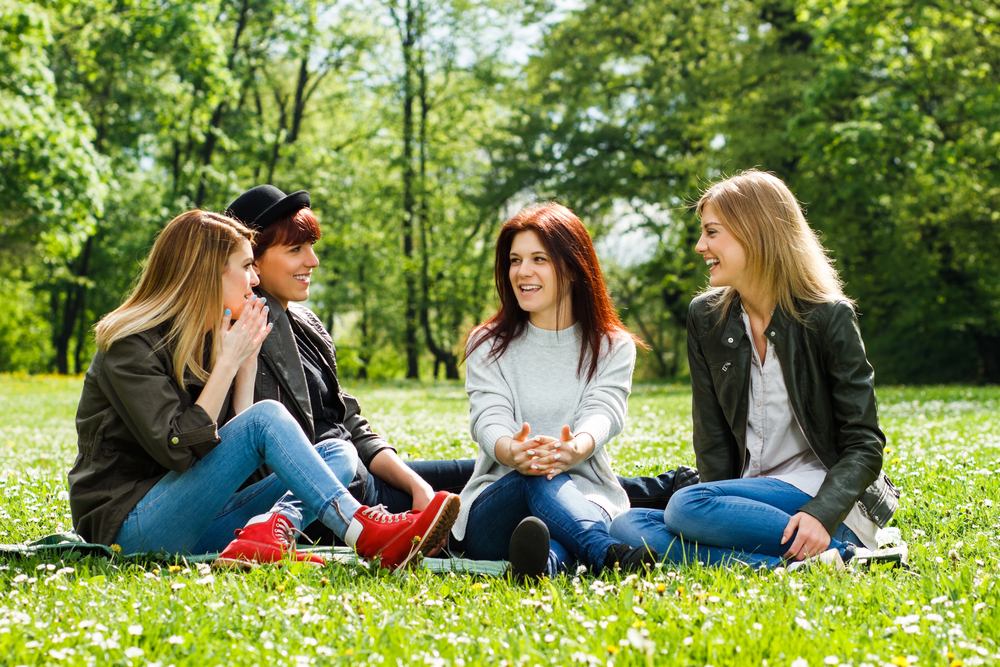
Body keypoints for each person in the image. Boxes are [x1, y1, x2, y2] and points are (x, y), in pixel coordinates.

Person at [221, 185, 699, 532]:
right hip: (325, 490)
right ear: (251, 260)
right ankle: (661, 493)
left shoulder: (306, 324)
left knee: (473, 477)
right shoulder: (231, 331)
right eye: (296, 249)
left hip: (361, 476)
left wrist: (412, 483)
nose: (313, 262)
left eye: (311, 247)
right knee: (504, 478)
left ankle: (662, 489)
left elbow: (351, 424)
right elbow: (247, 443)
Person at [68, 210, 459, 572]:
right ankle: (363, 531)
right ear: (208, 274)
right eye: (245, 267)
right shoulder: (130, 345)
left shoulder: (210, 340)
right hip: (129, 531)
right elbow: (176, 449)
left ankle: (267, 533)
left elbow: (241, 466)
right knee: (268, 416)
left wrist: (245, 366)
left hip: (197, 523)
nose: (254, 279)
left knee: (338, 452)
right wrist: (227, 366)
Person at [610, 170, 898, 569]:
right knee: (627, 525)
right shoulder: (707, 318)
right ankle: (819, 562)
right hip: (745, 498)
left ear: (754, 232)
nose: (699, 246)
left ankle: (837, 540)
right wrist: (708, 517)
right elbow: (712, 439)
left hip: (823, 497)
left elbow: (864, 445)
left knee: (685, 505)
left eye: (712, 232)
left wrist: (822, 513)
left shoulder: (829, 317)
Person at [450, 203, 659, 578]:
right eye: (515, 260)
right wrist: (512, 451)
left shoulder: (613, 346)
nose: (522, 272)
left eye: (538, 259)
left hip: (585, 499)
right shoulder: (487, 343)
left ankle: (540, 566)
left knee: (552, 526)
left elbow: (605, 409)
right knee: (536, 469)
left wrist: (574, 448)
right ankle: (606, 552)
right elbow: (488, 414)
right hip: (498, 501)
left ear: (574, 267)